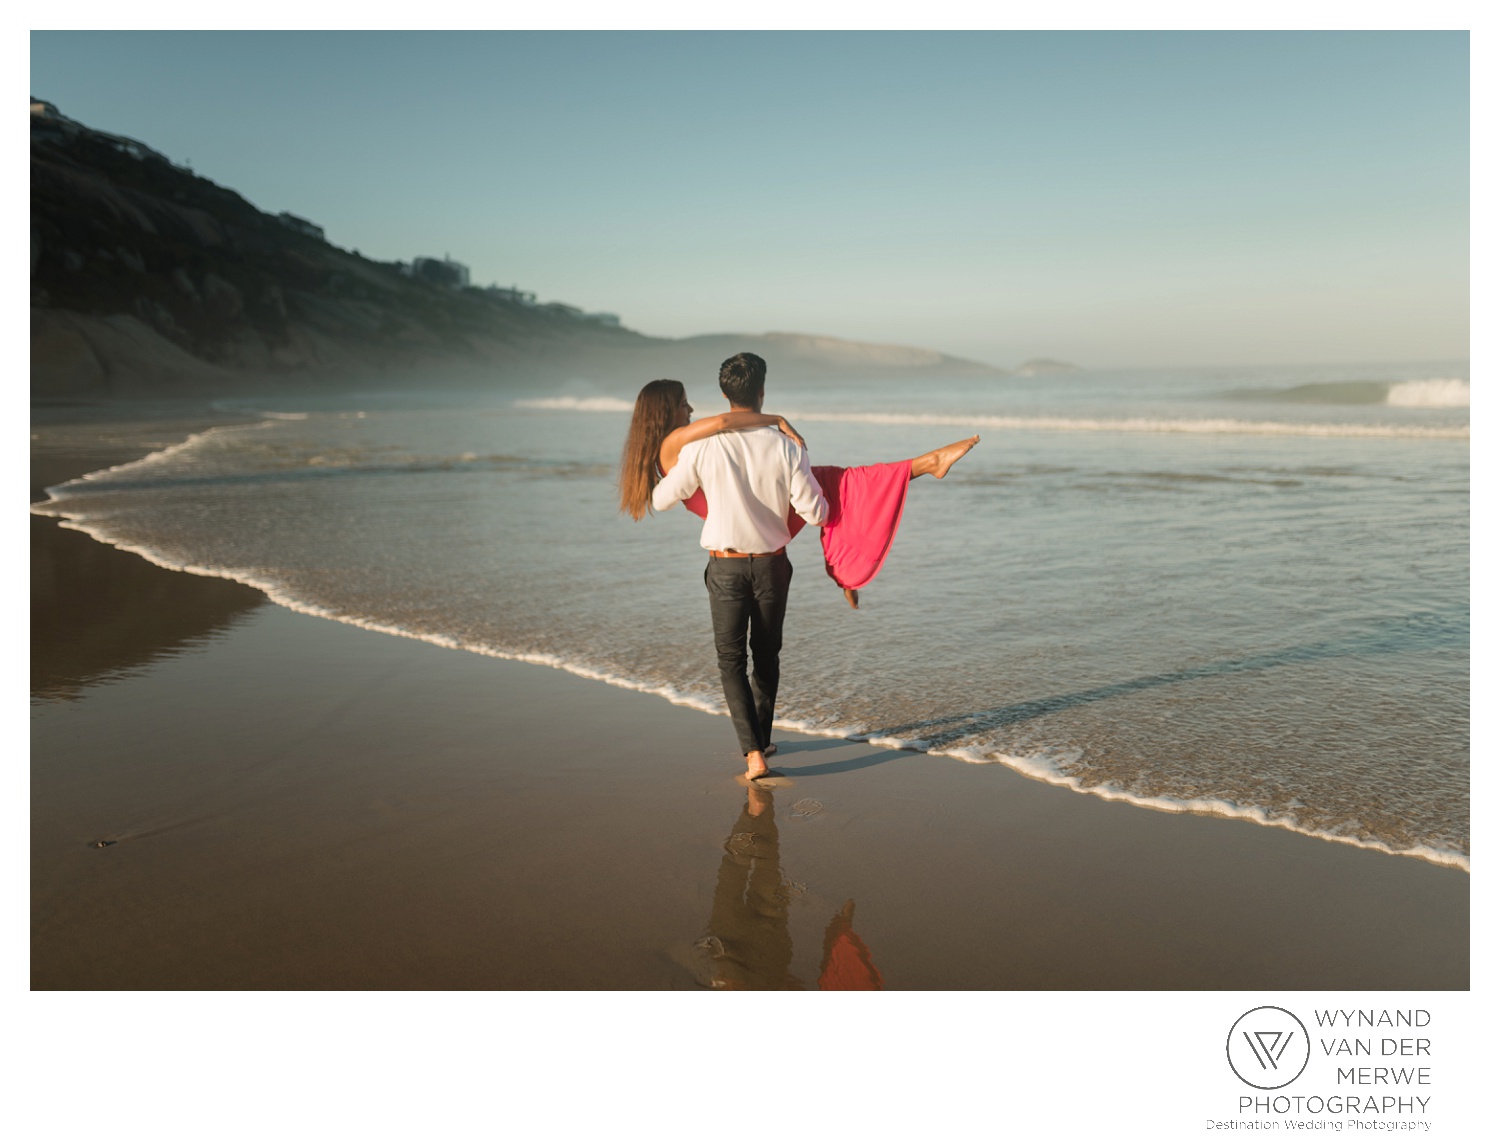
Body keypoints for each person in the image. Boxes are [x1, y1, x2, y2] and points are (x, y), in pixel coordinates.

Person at [618, 352, 978, 779]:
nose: (691, 410)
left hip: (728, 562)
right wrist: (776, 422)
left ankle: (754, 750)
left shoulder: (695, 450)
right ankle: (867, 534)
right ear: (762, 389)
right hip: (771, 558)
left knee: (731, 660)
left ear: (723, 393)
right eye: (683, 404)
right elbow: (726, 428)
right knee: (768, 651)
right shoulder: (704, 442)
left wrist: (767, 426)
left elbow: (712, 436)